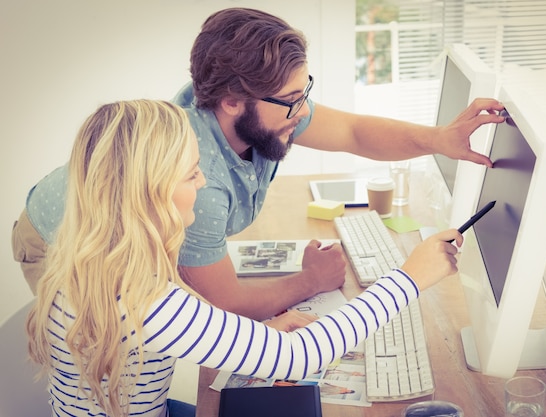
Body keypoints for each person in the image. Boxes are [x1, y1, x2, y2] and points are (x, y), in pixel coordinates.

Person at [13, 7, 504, 321]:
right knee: (118, 361)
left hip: (120, 221)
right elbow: (226, 305)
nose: (303, 110)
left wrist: (440, 139)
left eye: (304, 92)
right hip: (59, 240)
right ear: (231, 101)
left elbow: (354, 132)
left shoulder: (268, 108)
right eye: (291, 100)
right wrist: (309, 281)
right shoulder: (197, 186)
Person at [26, 99, 463, 417]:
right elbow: (294, 357)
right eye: (190, 173)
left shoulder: (91, 259)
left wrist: (258, 330)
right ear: (148, 194)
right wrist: (410, 277)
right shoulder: (143, 301)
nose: (201, 181)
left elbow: (184, 325)